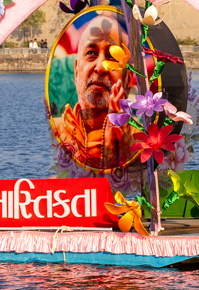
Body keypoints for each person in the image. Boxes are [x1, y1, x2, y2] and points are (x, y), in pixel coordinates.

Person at [49, 12, 135, 171]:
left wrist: (119, 152)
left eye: (112, 57)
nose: (101, 67)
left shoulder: (141, 142)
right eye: (91, 53)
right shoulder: (57, 132)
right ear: (76, 72)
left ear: (128, 80)